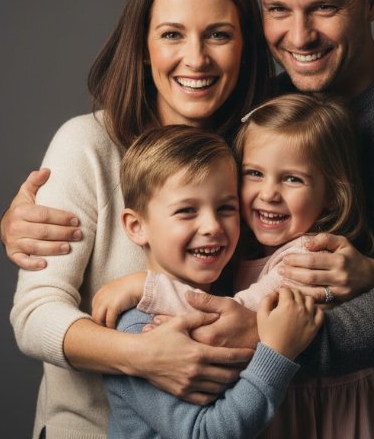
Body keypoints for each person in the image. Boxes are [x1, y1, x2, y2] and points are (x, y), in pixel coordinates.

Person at [4, 0, 374, 438]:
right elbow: (38, 309)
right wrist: (142, 353)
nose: (299, 35)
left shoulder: (274, 128)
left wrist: (370, 275)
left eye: (325, 7)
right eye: (278, 9)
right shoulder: (126, 140)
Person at [95, 93, 374, 439]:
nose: (269, 193)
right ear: (136, 226)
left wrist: (145, 286)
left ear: (331, 193)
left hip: (329, 417)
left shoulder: (308, 258)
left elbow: (230, 318)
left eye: (293, 179)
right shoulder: (142, 326)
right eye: (254, 173)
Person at [103, 124, 322, 439]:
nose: (212, 226)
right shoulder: (140, 329)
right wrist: (277, 353)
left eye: (225, 208)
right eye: (187, 211)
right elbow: (204, 433)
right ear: (136, 226)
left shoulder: (231, 293)